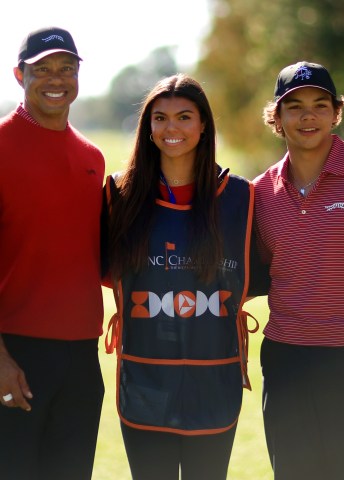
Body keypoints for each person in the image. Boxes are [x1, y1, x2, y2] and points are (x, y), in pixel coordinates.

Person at [102, 73, 268, 480]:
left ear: (204, 124)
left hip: (215, 381)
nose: (171, 128)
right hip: (144, 380)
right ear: (148, 127)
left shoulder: (240, 198)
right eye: (159, 118)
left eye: (184, 117)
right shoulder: (118, 196)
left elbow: (266, 275)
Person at [253, 60, 344, 480]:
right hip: (287, 364)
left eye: (319, 104)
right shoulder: (259, 193)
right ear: (277, 118)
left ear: (336, 113)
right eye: (295, 106)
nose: (308, 115)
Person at [0, 27, 105, 480]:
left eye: (66, 68)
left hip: (82, 357)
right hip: (15, 357)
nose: (55, 79)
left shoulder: (92, 156)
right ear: (19, 75)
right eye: (41, 69)